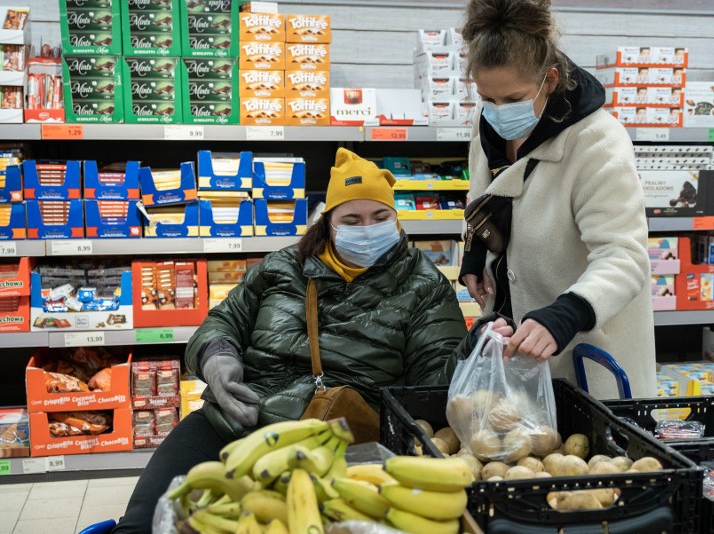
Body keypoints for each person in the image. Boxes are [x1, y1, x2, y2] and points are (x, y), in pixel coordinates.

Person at [113, 148, 482, 533]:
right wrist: (216, 356)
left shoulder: (424, 287)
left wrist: (473, 350)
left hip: (345, 445)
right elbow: (223, 320)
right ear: (329, 223)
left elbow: (430, 387)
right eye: (352, 219)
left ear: (396, 219)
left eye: (380, 217)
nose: (368, 228)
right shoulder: (282, 267)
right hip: (238, 422)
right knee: (140, 525)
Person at [459, 0, 656, 399]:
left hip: (588, 355)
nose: (498, 112)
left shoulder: (598, 143)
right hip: (514, 348)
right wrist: (477, 247)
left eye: (512, 99)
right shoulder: (486, 123)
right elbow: (486, 194)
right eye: (486, 98)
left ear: (549, 80)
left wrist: (568, 312)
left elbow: (624, 255)